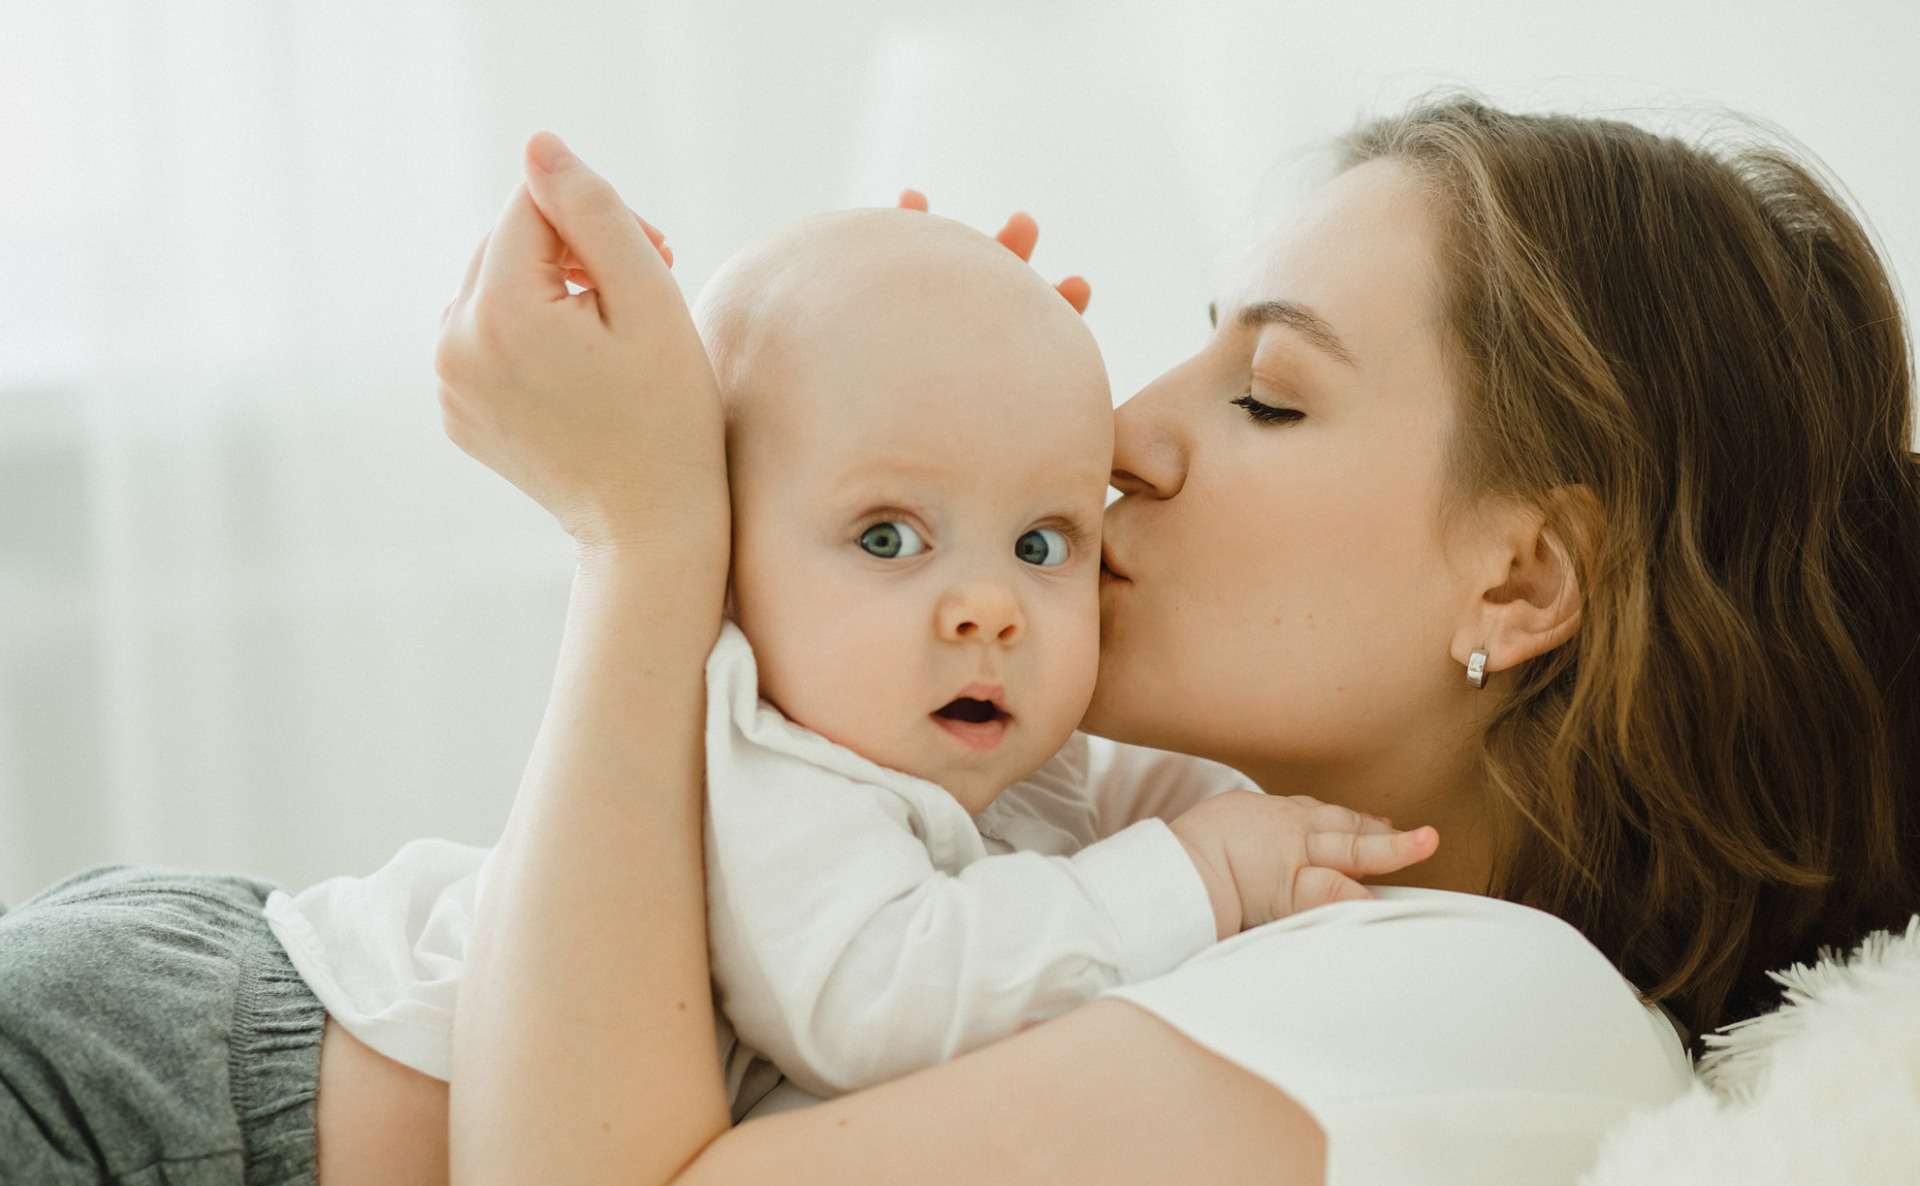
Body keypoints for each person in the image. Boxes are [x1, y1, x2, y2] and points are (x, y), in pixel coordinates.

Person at [0, 96, 1914, 1186]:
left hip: (151, 1163)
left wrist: (646, 545)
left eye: (1267, 393)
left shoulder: (1501, 1012)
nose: (1128, 442)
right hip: (159, 1064)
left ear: (1524, 576)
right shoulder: (1175, 809)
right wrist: (851, 444)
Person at [260, 206, 1437, 1111]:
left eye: (1040, 541)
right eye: (888, 536)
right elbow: (868, 997)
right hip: (203, 1103)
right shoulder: (784, 760)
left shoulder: (967, 733)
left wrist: (1259, 822)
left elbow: (1108, 806)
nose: (988, 606)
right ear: (724, 560)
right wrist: (1211, 875)